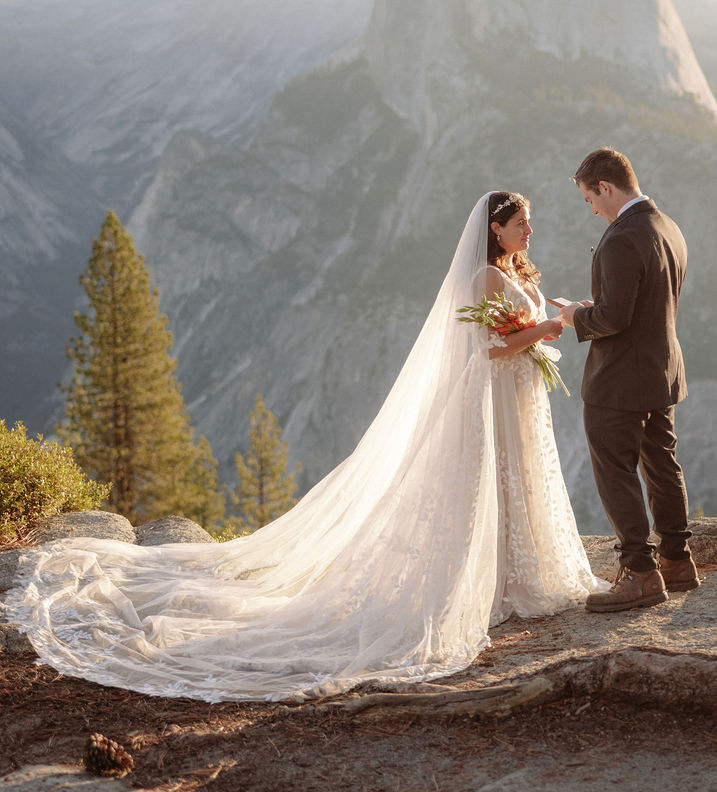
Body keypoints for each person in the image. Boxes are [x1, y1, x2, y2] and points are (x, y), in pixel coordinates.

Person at [7, 192, 602, 702]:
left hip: (519, 398)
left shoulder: (517, 273)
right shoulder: (484, 277)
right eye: (521, 221)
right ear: (494, 227)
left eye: (529, 222)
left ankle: (514, 575)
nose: (530, 229)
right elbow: (491, 349)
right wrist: (548, 331)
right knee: (488, 483)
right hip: (494, 394)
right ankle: (489, 581)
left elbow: (512, 336)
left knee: (515, 479)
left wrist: (542, 322)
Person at [558, 148, 699, 613]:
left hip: (619, 379)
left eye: (589, 198)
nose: (592, 209)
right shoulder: (668, 227)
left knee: (615, 469)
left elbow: (615, 317)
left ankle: (640, 572)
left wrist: (578, 315)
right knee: (662, 462)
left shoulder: (620, 238)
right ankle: (678, 560)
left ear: (605, 187)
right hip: (662, 369)